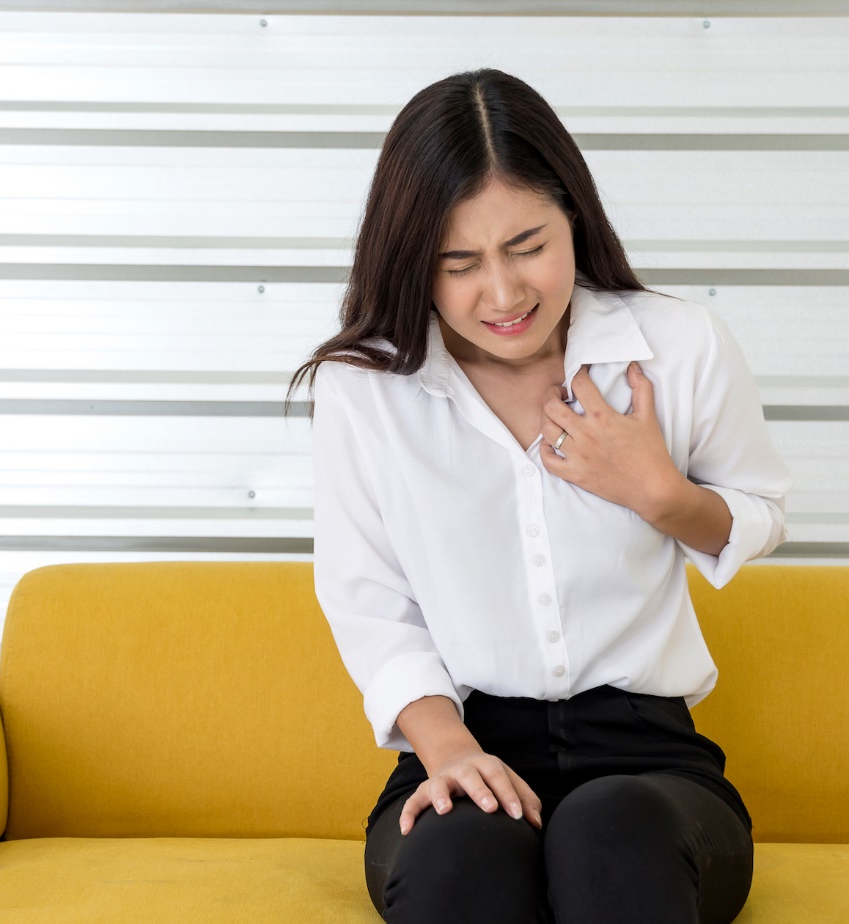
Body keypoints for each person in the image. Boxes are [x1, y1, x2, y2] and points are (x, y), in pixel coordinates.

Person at [286, 68, 794, 924]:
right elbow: (368, 601)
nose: (504, 294)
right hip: (460, 743)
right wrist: (448, 750)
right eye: (458, 264)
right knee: (463, 852)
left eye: (527, 246)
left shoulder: (678, 344)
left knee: (610, 831)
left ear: (574, 219)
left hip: (649, 764)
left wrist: (656, 492)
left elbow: (759, 512)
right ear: (411, 264)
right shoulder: (365, 388)